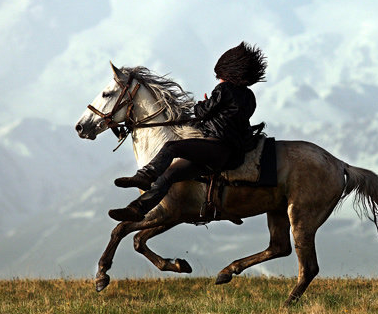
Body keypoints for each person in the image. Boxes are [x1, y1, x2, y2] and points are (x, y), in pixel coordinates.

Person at [108, 42, 267, 222]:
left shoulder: (224, 89)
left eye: (220, 76)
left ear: (228, 72)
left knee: (171, 147)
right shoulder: (249, 97)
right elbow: (228, 119)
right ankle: (136, 209)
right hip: (227, 155)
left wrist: (203, 104)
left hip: (215, 147)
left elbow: (201, 112)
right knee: (169, 175)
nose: (219, 80)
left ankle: (144, 176)